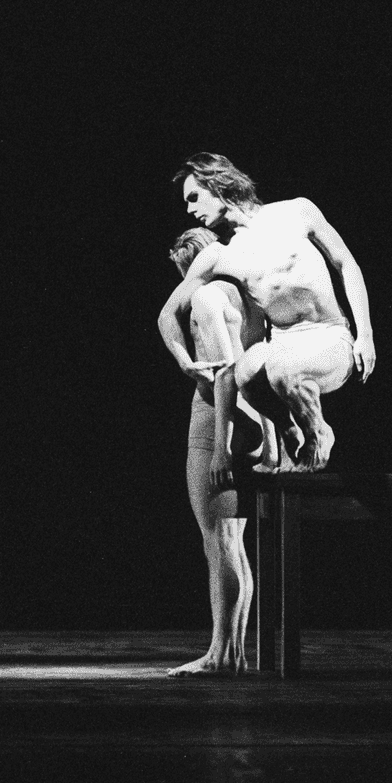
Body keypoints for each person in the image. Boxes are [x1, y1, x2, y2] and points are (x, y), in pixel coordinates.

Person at [158, 153, 376, 481]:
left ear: (217, 183)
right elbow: (168, 314)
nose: (189, 209)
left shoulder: (296, 211)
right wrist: (183, 360)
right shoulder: (219, 255)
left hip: (330, 336)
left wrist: (365, 335)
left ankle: (318, 433)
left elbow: (346, 263)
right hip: (283, 344)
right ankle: (290, 431)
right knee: (244, 372)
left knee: (280, 369)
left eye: (194, 197)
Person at [165, 226, 269, 677]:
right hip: (253, 418)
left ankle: (219, 655)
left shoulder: (208, 297)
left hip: (218, 418)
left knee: (218, 543)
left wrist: (221, 449)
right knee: (232, 544)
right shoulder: (249, 298)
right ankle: (233, 654)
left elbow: (225, 372)